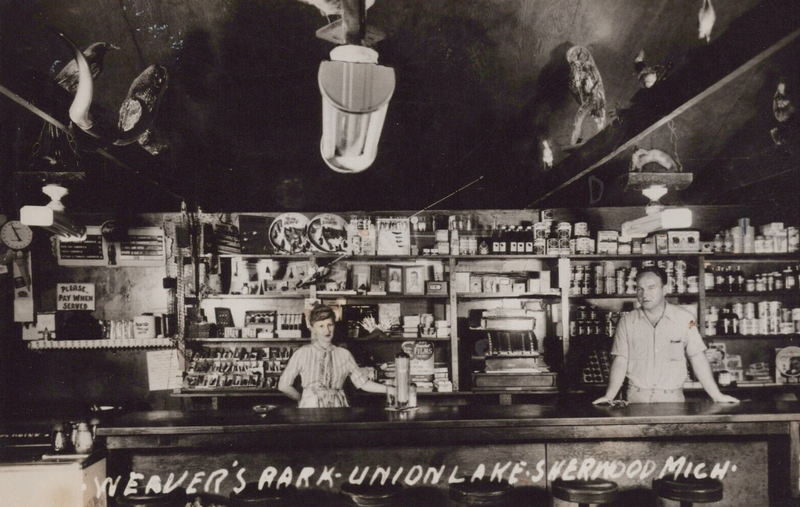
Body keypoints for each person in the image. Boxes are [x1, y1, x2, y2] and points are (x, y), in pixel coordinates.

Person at [593, 266, 739, 405]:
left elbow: (697, 357)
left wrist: (717, 396)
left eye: (651, 287)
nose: (644, 294)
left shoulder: (684, 319)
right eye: (640, 289)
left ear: (665, 289)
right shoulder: (627, 321)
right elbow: (620, 360)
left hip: (672, 399)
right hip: (636, 398)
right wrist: (609, 396)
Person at [278, 304, 392, 407]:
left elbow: (363, 383)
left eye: (330, 325)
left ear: (334, 326)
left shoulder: (344, 354)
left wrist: (390, 390)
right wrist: (302, 399)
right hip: (311, 411)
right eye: (321, 326)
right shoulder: (302, 353)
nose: (327, 330)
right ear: (313, 329)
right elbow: (283, 385)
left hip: (338, 410)